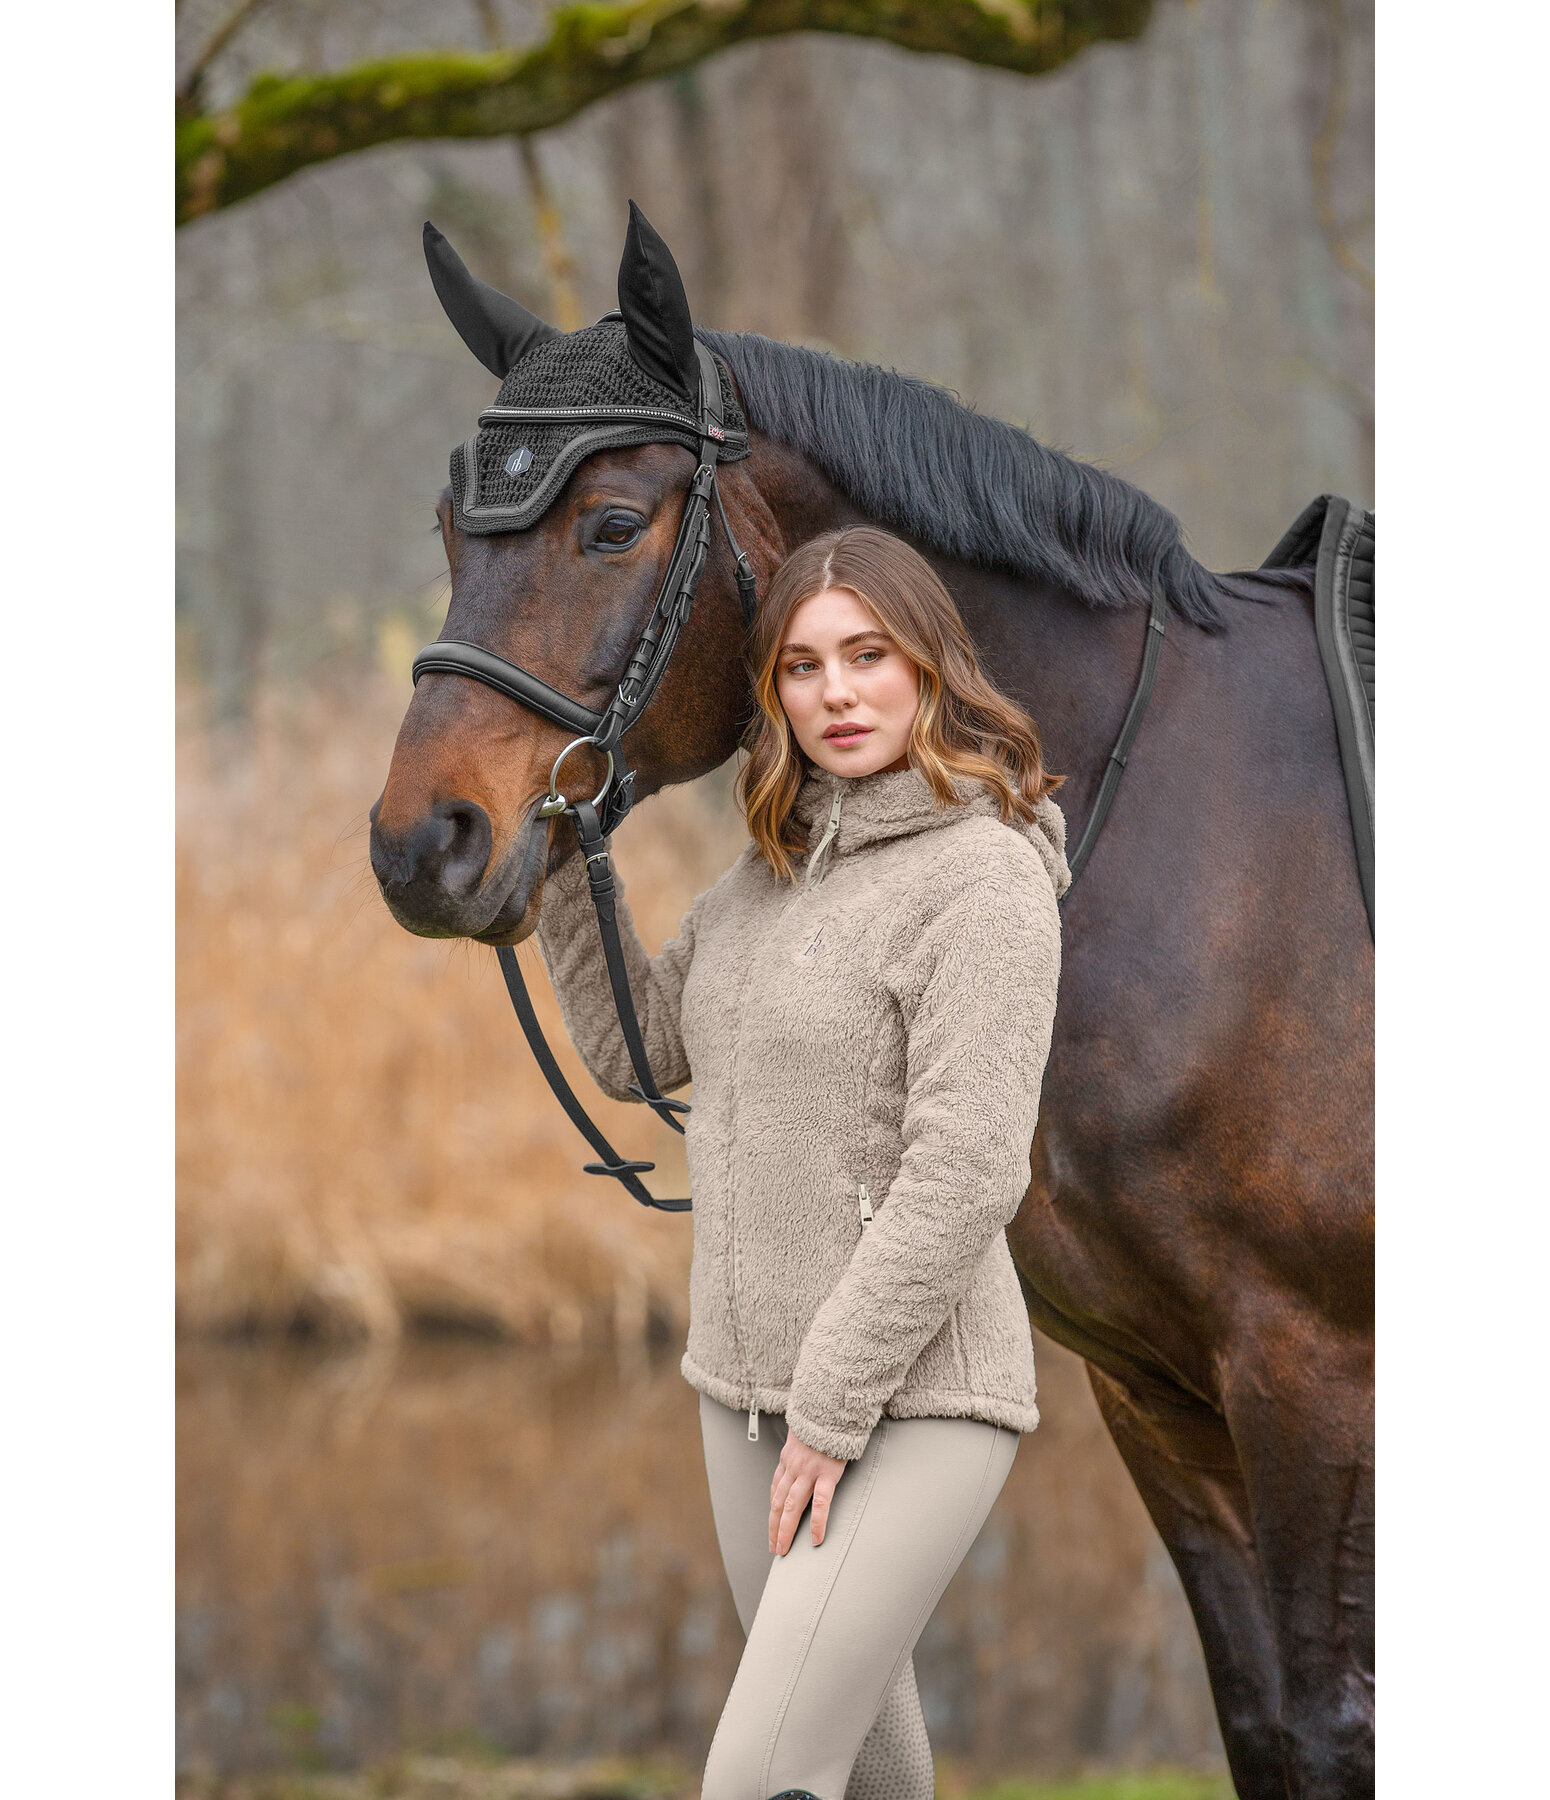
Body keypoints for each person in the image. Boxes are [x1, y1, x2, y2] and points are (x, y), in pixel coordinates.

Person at [536, 524, 1070, 1800]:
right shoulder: (762, 878)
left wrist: (830, 1412)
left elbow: (968, 1172)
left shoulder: (983, 879)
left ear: (930, 666)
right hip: (742, 1391)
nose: (834, 694)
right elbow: (635, 1047)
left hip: (911, 1403)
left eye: (867, 656)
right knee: (866, 1777)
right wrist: (562, 855)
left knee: (759, 1777)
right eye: (799, 665)